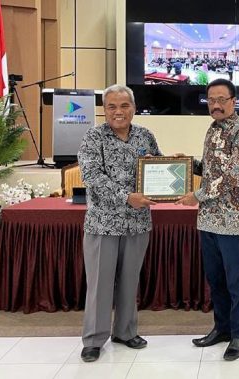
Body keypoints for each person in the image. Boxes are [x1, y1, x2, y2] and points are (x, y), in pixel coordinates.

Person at [77, 84, 162, 363]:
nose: (118, 112)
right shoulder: (93, 137)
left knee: (129, 281)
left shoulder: (145, 135)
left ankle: (125, 332)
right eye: (112, 106)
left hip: (138, 223)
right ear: (104, 110)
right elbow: (91, 177)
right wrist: (127, 197)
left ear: (134, 109)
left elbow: (158, 166)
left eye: (124, 106)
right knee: (100, 284)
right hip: (103, 224)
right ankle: (94, 339)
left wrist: (164, 172)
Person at [175, 78, 239, 361]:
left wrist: (196, 195)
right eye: (211, 100)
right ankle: (221, 328)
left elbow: (233, 176)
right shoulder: (212, 130)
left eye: (222, 99)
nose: (216, 105)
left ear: (233, 101)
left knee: (236, 281)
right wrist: (186, 163)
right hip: (209, 218)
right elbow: (211, 169)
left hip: (233, 219)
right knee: (216, 279)